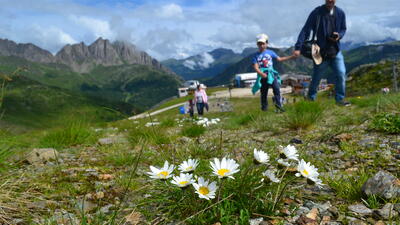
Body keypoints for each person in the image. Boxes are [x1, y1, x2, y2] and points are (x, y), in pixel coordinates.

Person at [293, 0, 350, 106]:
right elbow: (306, 29)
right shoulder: (317, 12)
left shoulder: (340, 13)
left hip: (335, 51)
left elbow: (343, 29)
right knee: (316, 78)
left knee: (341, 74)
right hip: (319, 52)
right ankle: (310, 99)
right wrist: (298, 47)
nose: (330, 0)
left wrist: (339, 35)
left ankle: (340, 100)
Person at [252, 33, 296, 112]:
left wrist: (291, 57)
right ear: (257, 45)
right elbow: (255, 67)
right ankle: (264, 108)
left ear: (267, 44)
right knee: (264, 92)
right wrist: (261, 74)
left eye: (263, 43)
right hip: (262, 75)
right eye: (259, 44)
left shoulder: (270, 52)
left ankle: (279, 106)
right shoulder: (255, 55)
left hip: (271, 74)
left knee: (276, 89)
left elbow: (279, 59)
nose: (261, 45)